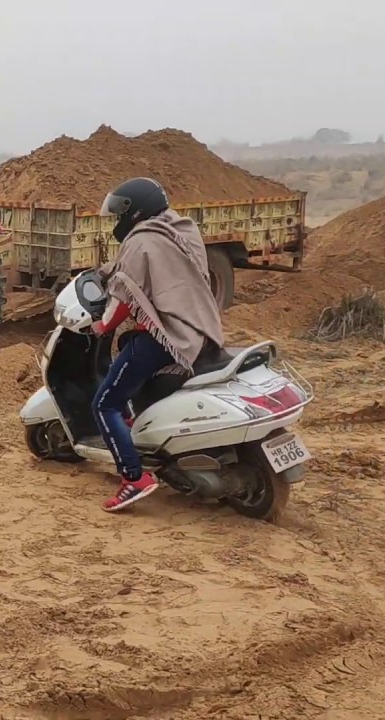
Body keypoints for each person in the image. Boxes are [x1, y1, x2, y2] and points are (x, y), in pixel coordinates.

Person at [90, 177, 225, 512]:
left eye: (120, 212)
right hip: (199, 329)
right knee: (130, 381)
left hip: (167, 336)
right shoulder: (180, 228)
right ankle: (142, 438)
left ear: (135, 212)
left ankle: (133, 478)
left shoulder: (142, 241)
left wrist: (103, 325)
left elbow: (127, 294)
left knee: (104, 404)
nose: (117, 220)